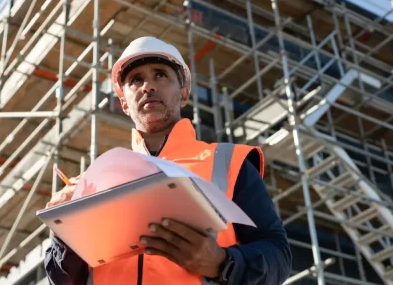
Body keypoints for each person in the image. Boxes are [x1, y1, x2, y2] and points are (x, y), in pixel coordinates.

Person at [42, 37, 292, 284]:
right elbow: (65, 281)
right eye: (136, 80)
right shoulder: (96, 184)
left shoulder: (228, 163)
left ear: (183, 94)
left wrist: (222, 263)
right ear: (124, 104)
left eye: (160, 75)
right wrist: (64, 233)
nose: (147, 86)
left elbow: (278, 256)